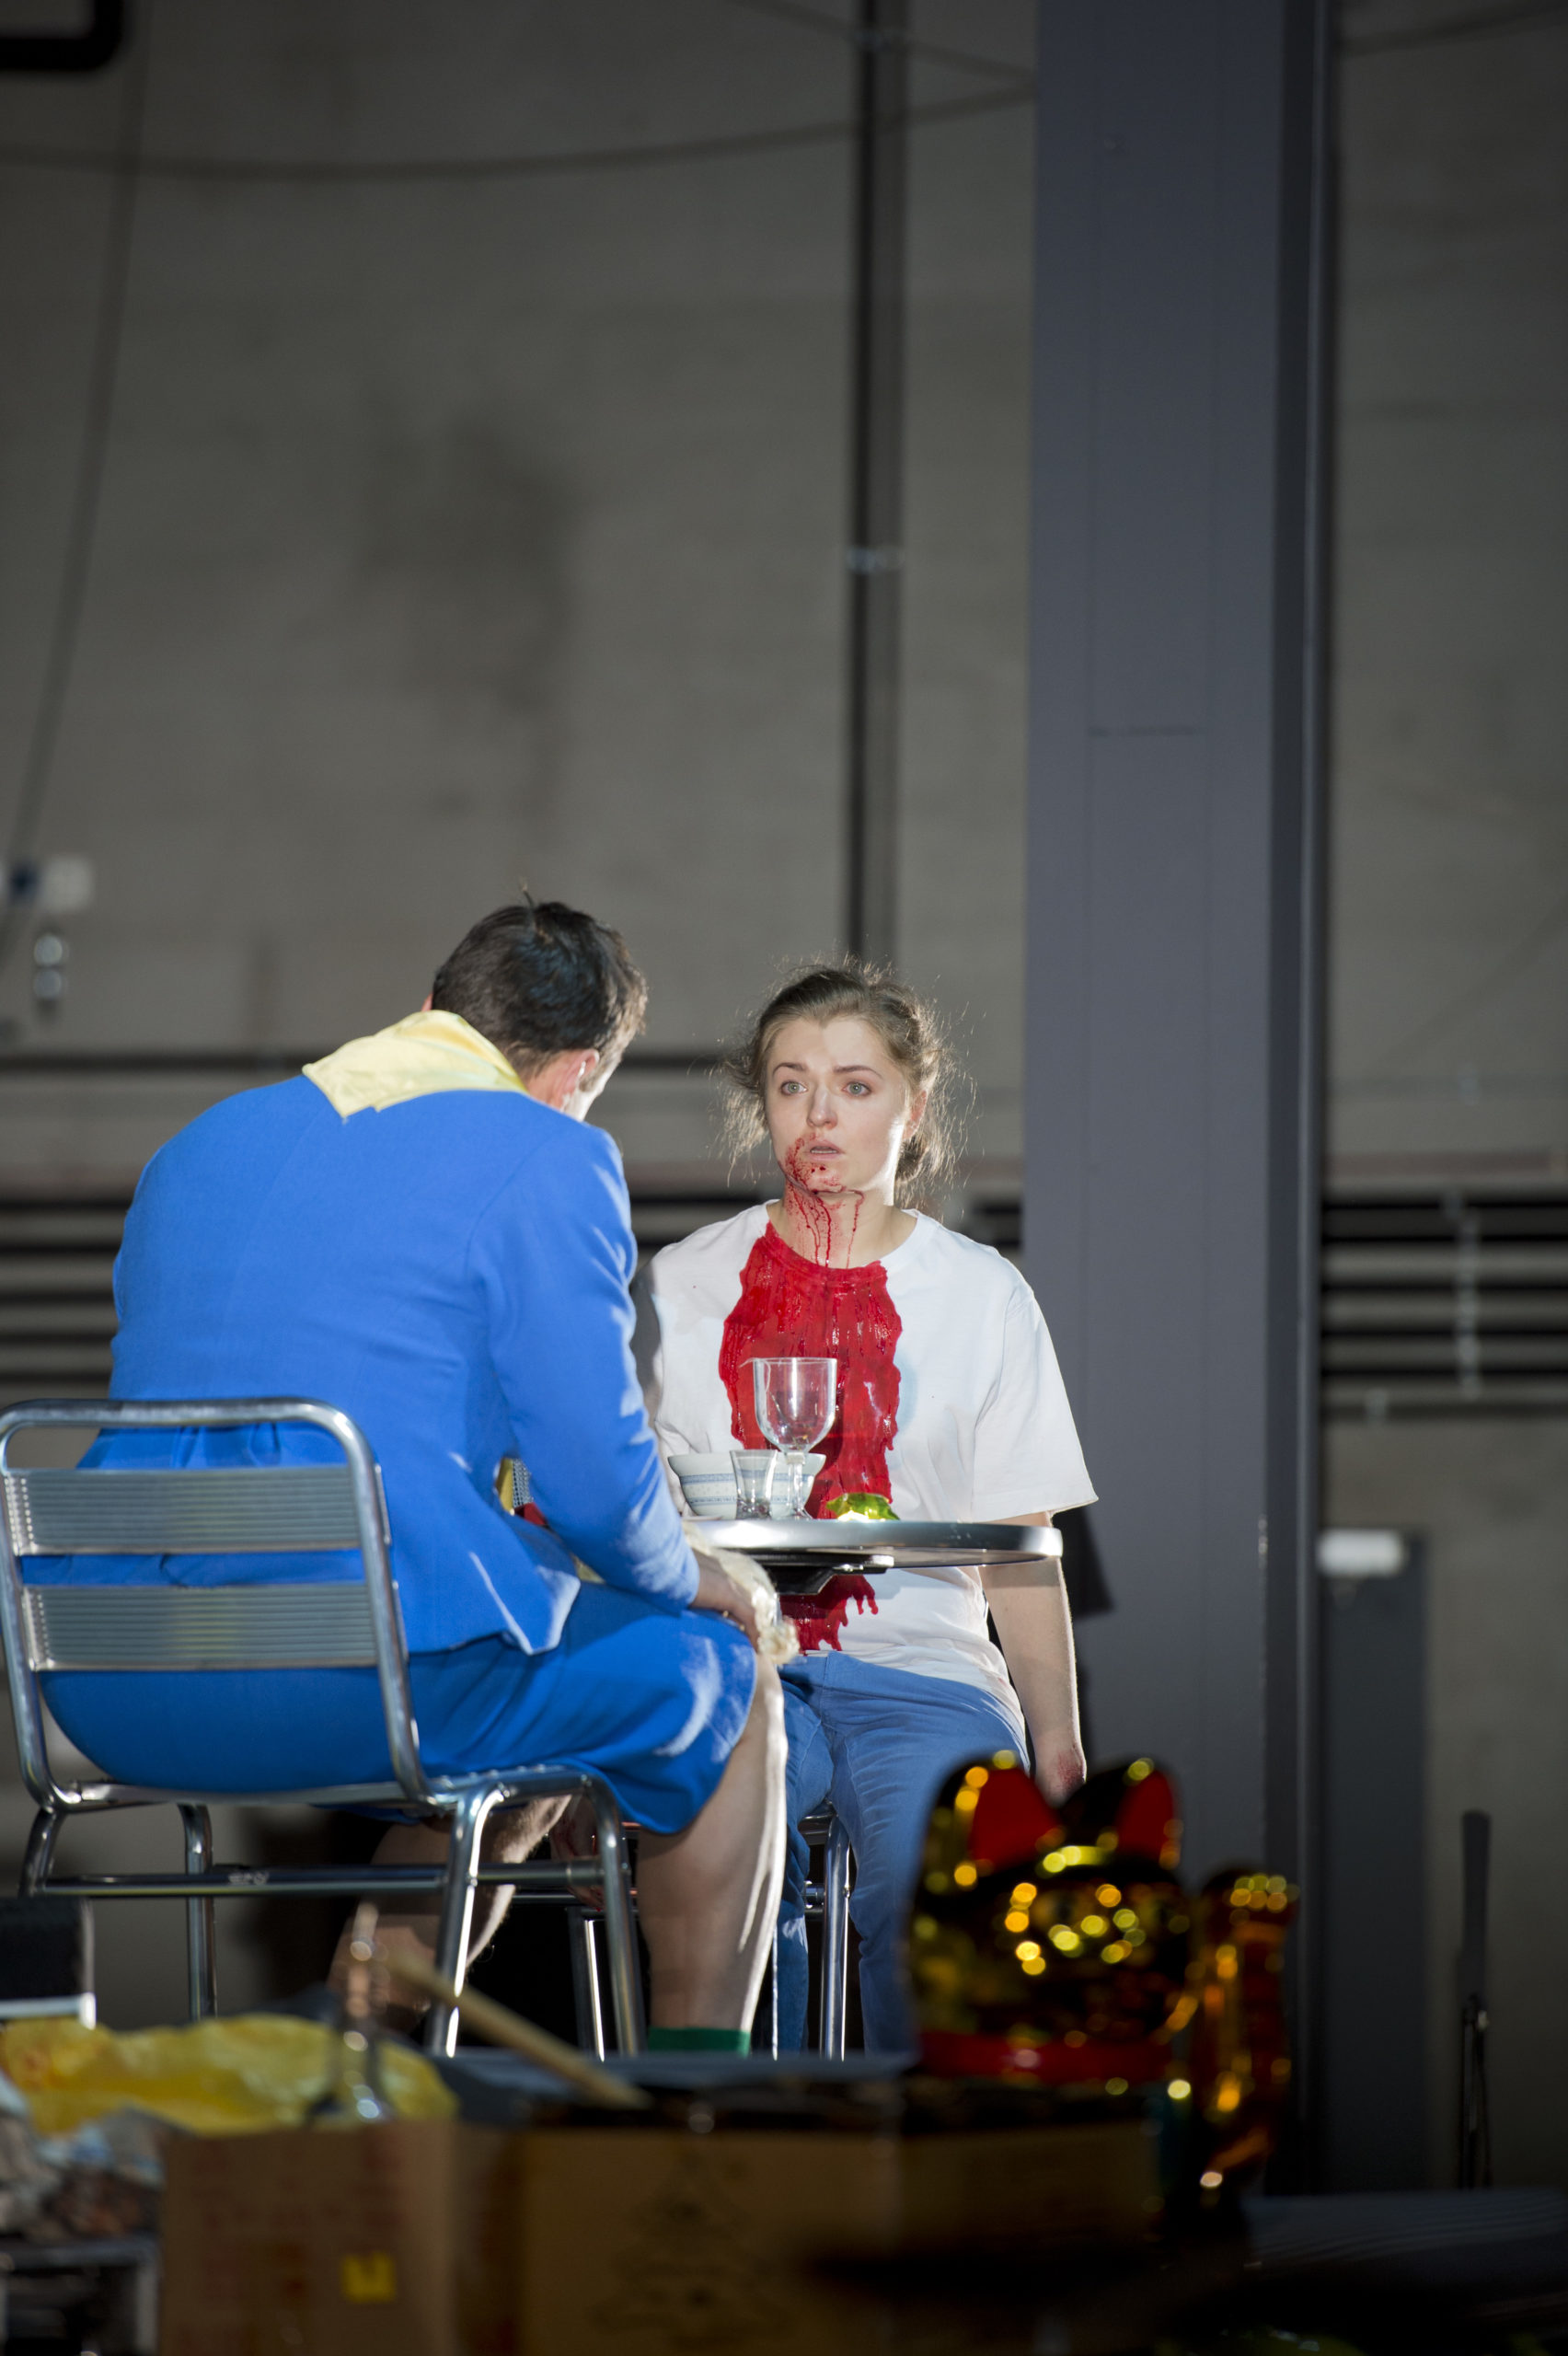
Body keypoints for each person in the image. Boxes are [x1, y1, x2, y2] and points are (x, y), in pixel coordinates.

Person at [40, 902, 786, 2050]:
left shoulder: (199, 1144)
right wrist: (694, 1570)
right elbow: (596, 1488)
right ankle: (694, 2122)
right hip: (357, 1679)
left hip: (109, 1681)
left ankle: (355, 2081)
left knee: (522, 1713)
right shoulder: (550, 1151)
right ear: (577, 1072)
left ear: (437, 1011)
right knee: (724, 1679)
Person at [641, 963, 1093, 2050]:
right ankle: (761, 2160)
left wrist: (1060, 1747)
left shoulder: (983, 1296)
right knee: (746, 1907)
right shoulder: (679, 1285)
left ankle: (918, 2179)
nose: (818, 1115)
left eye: (854, 1085)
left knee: (924, 1894)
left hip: (927, 1669)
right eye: (792, 1085)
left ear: (913, 1108)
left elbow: (1025, 1549)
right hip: (737, 1661)